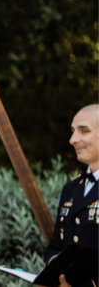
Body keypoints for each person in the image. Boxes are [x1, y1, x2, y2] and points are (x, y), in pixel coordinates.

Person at [42, 104, 99, 287]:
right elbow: (55, 246)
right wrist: (53, 271)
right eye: (73, 131)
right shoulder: (71, 188)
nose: (73, 140)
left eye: (84, 131)